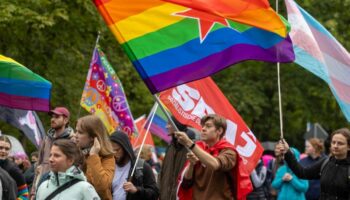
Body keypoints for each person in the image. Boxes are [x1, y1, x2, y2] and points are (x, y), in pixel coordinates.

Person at [175, 114, 249, 200]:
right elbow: (186, 183)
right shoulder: (199, 149)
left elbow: (215, 164)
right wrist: (191, 164)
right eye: (203, 126)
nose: (203, 129)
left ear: (219, 131)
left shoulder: (229, 152)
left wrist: (189, 143)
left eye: (208, 126)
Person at [277, 128, 350, 200]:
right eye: (333, 142)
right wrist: (287, 152)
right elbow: (302, 173)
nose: (335, 146)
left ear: (348, 147)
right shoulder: (325, 162)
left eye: (340, 143)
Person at [36, 139, 100, 199]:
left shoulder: (85, 188)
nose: (50, 159)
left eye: (56, 155)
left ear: (70, 160)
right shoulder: (42, 187)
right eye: (50, 155)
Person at [32, 106, 74, 197]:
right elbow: (38, 166)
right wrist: (33, 192)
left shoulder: (71, 141)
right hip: (41, 188)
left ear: (65, 120)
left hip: (61, 190)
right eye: (52, 117)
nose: (53, 119)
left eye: (57, 117)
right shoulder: (46, 139)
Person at [109, 130, 159, 200]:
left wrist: (136, 190)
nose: (114, 153)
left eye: (117, 150)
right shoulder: (109, 166)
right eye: (112, 150)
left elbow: (155, 193)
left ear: (125, 148)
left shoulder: (142, 166)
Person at [75, 115, 115, 200]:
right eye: (76, 131)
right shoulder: (76, 153)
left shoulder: (108, 158)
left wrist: (93, 156)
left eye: (80, 132)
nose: (76, 135)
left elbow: (102, 187)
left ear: (93, 137)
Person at [158, 117, 195, 200]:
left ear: (177, 125)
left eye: (169, 124)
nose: (166, 127)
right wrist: (159, 192)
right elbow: (162, 172)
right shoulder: (170, 147)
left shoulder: (191, 148)